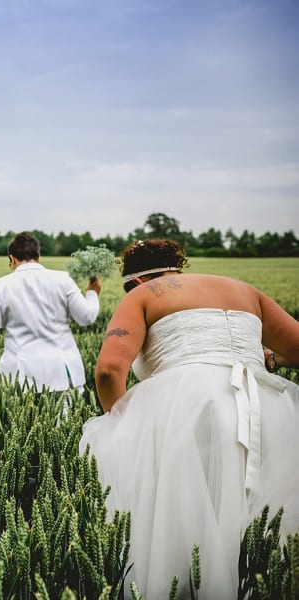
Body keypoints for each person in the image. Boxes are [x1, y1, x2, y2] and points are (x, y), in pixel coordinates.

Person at [79, 238, 299, 598]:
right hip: (268, 412)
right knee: (262, 533)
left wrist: (121, 424)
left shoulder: (142, 295)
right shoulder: (245, 291)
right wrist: (269, 361)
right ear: (176, 267)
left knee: (188, 530)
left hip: (189, 411)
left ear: (134, 280)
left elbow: (107, 371)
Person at [0, 231, 102, 392]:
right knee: (67, 417)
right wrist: (92, 293)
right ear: (38, 256)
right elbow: (86, 317)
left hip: (19, 374)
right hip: (62, 372)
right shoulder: (62, 279)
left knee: (19, 417)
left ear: (12, 259)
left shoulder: (2, 285)